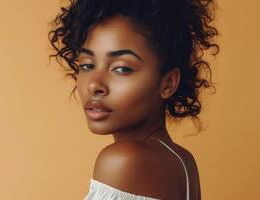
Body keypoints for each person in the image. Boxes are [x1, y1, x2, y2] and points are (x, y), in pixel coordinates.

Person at [48, 0, 219, 199]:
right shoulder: (182, 161)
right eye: (87, 65)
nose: (94, 85)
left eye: (121, 68)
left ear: (168, 83)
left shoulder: (124, 160)